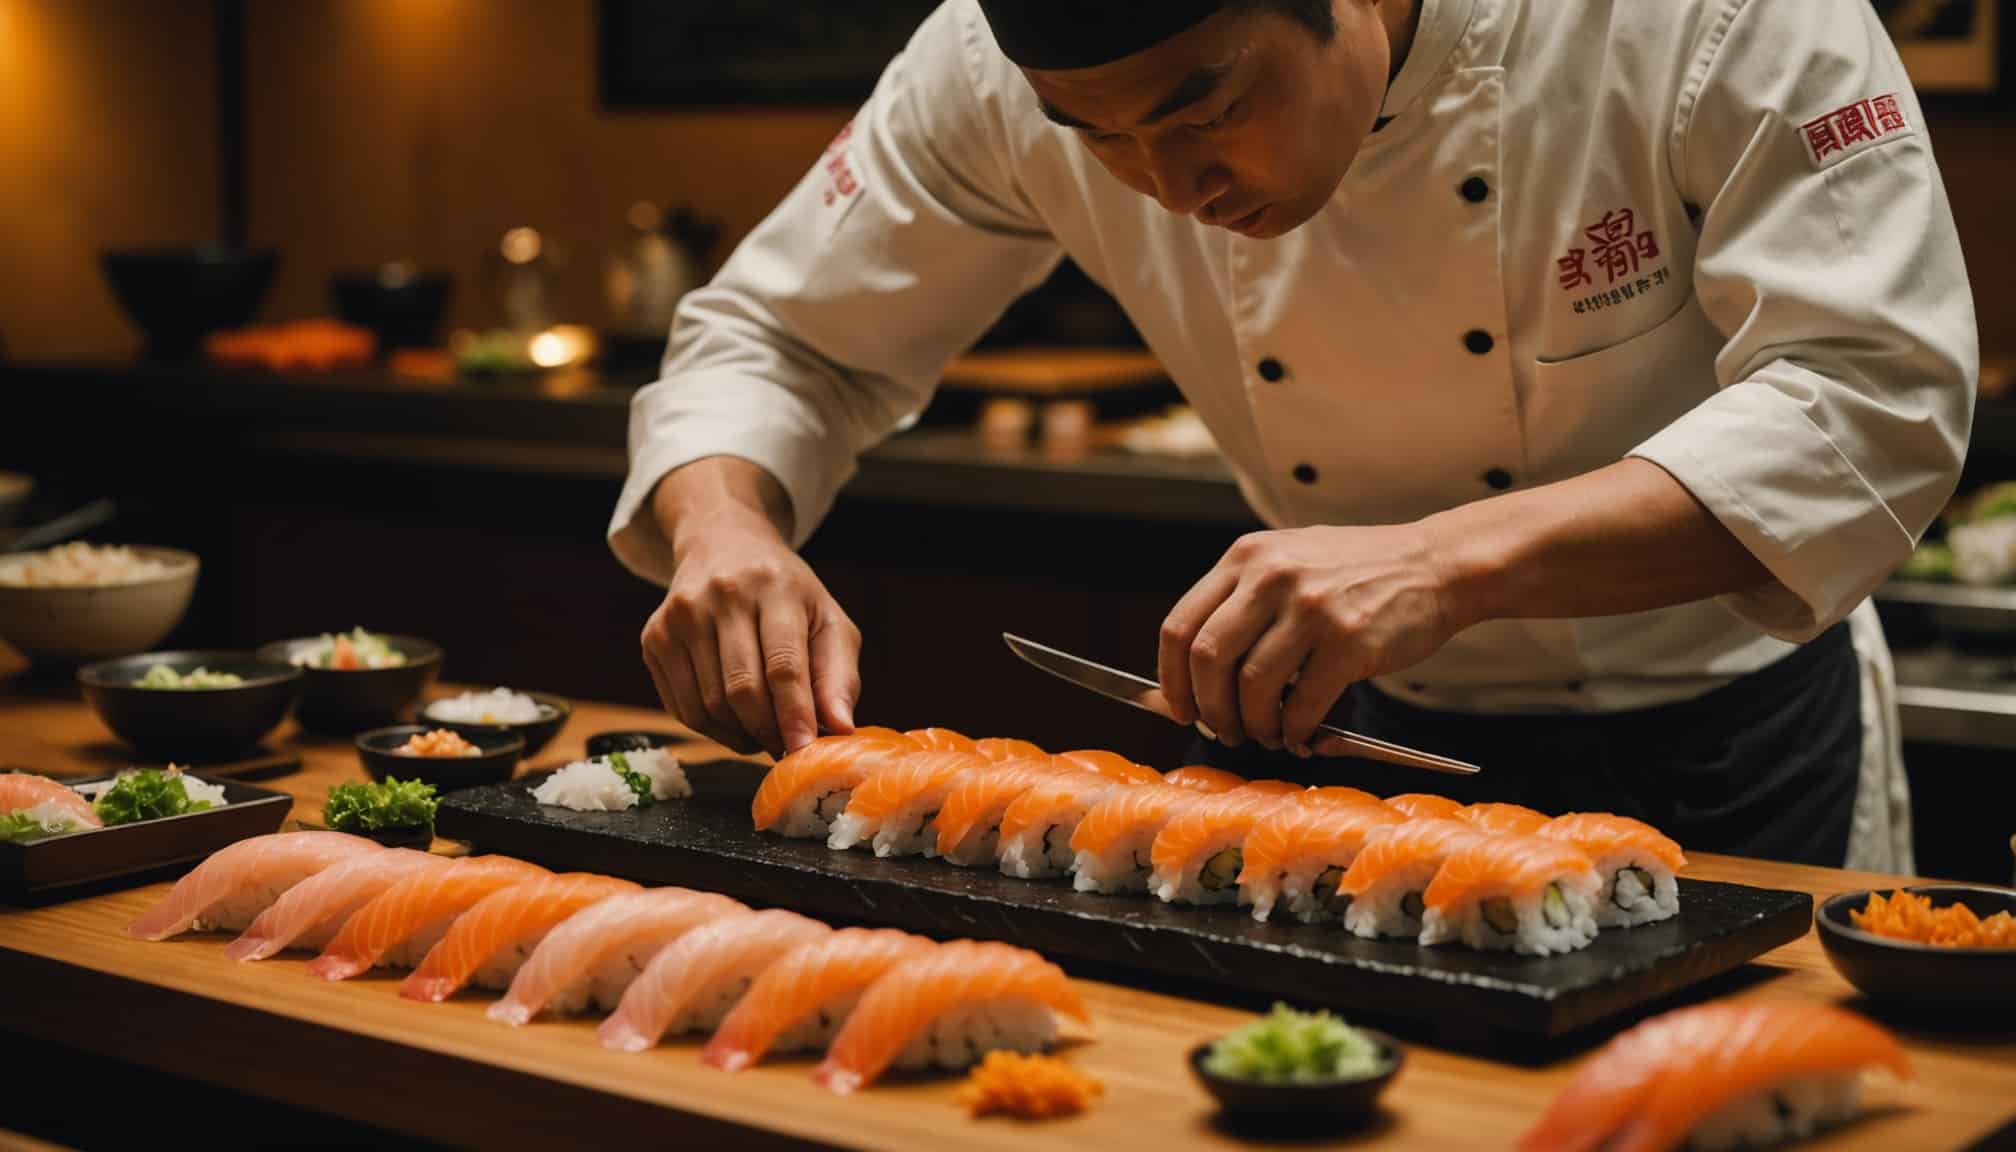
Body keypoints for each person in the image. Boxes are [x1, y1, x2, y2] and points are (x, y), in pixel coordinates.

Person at [609, 0, 1976, 871]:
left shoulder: (1701, 19)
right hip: (1349, 740)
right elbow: (781, 334)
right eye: (1097, 141)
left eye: (1206, 107)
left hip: (1731, 735)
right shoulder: (991, 63)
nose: (1171, 187)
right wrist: (726, 527)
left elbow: (1872, 395)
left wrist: (1438, 562)